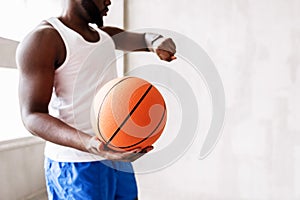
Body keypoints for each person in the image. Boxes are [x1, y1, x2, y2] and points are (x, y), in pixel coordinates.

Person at [16, 0, 176, 199]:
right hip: (77, 164)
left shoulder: (106, 36)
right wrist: (93, 145)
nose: (109, 1)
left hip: (116, 156)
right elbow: (32, 116)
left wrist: (157, 41)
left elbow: (145, 39)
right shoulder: (44, 39)